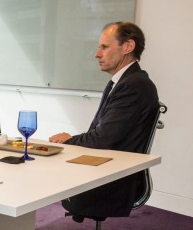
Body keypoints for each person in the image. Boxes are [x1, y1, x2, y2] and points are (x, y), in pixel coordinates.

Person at [49, 21, 159, 216]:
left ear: (128, 47)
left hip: (113, 180)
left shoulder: (133, 86)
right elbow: (105, 135)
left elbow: (102, 139)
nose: (97, 54)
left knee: (46, 167)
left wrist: (69, 140)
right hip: (109, 168)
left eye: (104, 47)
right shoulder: (127, 82)